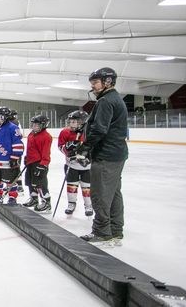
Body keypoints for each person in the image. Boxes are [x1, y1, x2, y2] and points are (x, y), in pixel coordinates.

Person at [79, 67, 129, 245]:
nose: (92, 86)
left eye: (95, 82)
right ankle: (115, 230)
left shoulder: (106, 101)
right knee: (114, 192)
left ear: (107, 82)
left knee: (100, 194)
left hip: (106, 155)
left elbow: (99, 129)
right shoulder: (114, 98)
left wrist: (85, 147)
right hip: (116, 154)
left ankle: (102, 231)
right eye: (92, 83)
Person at [0, 106, 24, 206]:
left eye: (0, 117)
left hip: (7, 161)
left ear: (6, 117)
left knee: (10, 181)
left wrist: (15, 157)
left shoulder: (13, 128)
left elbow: (18, 144)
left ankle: (12, 197)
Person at [58, 110, 92, 216]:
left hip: (87, 167)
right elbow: (60, 146)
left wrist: (88, 156)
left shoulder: (89, 132)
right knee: (71, 186)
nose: (71, 123)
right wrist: (67, 149)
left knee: (87, 187)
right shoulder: (65, 132)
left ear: (82, 122)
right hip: (71, 165)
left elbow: (93, 147)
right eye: (71, 121)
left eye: (75, 121)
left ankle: (88, 205)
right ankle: (71, 203)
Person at [23, 115, 52, 212]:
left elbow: (46, 152)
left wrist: (43, 164)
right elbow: (29, 148)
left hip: (39, 164)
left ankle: (46, 202)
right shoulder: (31, 134)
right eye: (33, 125)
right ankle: (34, 199)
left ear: (43, 125)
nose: (34, 127)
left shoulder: (46, 137)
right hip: (30, 163)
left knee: (40, 184)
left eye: (37, 125)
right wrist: (27, 158)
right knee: (30, 183)